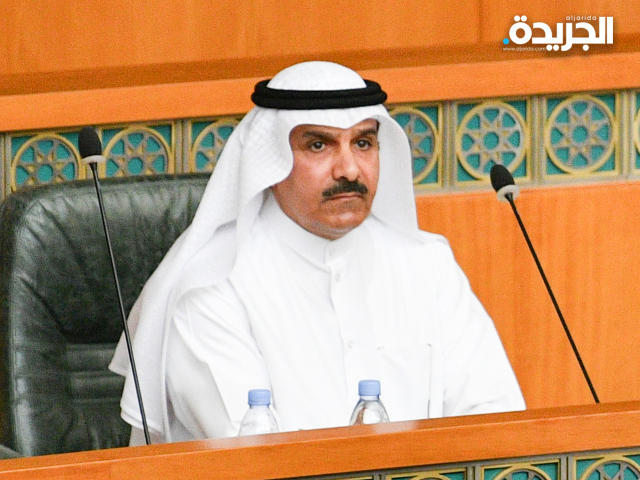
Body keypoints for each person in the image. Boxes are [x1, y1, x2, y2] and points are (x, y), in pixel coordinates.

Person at [110, 61, 525, 445]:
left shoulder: (427, 265)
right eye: (318, 146)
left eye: (363, 143)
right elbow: (253, 454)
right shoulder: (210, 288)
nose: (349, 169)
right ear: (271, 160)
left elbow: (494, 420)